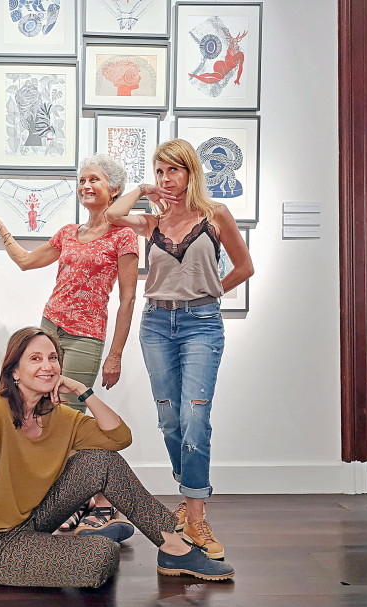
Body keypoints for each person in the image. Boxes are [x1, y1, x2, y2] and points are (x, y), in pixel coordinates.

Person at [0, 327, 234, 607]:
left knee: (101, 461)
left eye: (52, 358)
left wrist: (82, 390)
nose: (47, 366)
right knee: (102, 559)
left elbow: (119, 438)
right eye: (35, 359)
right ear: (14, 371)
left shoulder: (60, 416)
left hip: (34, 519)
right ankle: (89, 540)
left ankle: (173, 548)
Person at [0, 154, 138, 537]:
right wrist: (0, 226)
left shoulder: (123, 236)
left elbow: (128, 298)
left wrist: (115, 354)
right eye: (82, 180)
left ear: (114, 189)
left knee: (73, 418)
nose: (85, 186)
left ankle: (103, 504)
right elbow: (26, 262)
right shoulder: (68, 233)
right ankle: (74, 502)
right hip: (50, 331)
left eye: (94, 179)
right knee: (45, 413)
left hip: (86, 336)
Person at [105, 138, 254, 560]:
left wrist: (211, 291)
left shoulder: (215, 215)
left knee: (195, 416)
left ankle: (196, 514)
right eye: (160, 171)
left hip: (201, 325)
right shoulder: (152, 222)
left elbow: (245, 266)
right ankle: (189, 500)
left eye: (173, 170)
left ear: (190, 172)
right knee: (170, 418)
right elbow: (112, 215)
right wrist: (143, 189)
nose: (166, 178)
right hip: (155, 324)